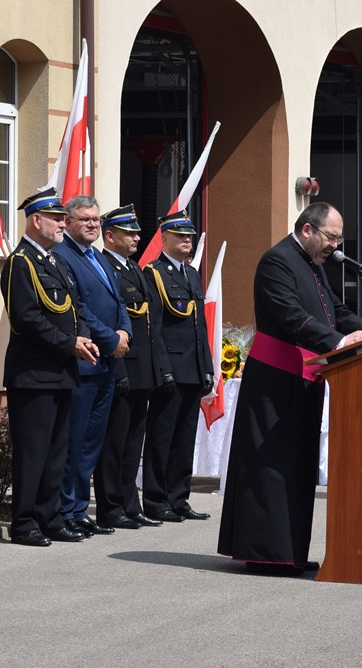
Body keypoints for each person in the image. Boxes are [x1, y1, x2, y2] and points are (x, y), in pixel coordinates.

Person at [217, 202, 362, 575]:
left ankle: (290, 551)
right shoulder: (277, 261)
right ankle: (266, 553)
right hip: (274, 380)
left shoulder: (312, 264)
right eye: (331, 237)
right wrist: (340, 342)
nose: (335, 245)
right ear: (308, 229)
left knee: (297, 465)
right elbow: (292, 317)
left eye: (339, 238)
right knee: (272, 466)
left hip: (303, 377)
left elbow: (334, 311)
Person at [0, 188, 99, 547]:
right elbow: (26, 318)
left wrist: (83, 337)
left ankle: (50, 517)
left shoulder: (55, 262)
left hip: (61, 371)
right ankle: (24, 522)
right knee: (33, 452)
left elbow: (76, 309)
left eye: (63, 218)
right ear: (36, 220)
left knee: (57, 451)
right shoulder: (20, 262)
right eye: (57, 218)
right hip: (34, 374)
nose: (62, 224)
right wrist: (69, 344)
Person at [53, 195, 131, 538]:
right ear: (68, 221)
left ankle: (80, 509)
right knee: (74, 441)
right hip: (83, 363)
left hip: (106, 364)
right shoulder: (63, 256)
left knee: (91, 443)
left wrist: (125, 331)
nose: (93, 225)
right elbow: (78, 308)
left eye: (96, 219)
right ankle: (65, 509)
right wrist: (111, 339)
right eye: (85, 219)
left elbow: (119, 301)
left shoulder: (97, 256)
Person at [95, 204, 170, 529]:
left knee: (132, 443)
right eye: (129, 233)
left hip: (143, 370)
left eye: (137, 232)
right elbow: (111, 322)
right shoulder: (104, 267)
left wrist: (157, 368)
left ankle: (130, 503)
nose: (137, 237)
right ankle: (110, 507)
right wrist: (121, 370)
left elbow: (151, 323)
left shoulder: (134, 268)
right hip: (123, 366)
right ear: (110, 236)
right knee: (114, 443)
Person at [143, 211, 213, 523]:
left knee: (185, 438)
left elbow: (200, 328)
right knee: (162, 437)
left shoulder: (192, 274)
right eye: (181, 236)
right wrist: (162, 369)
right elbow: (154, 328)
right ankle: (156, 500)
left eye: (190, 236)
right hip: (170, 367)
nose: (187, 240)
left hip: (193, 368)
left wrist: (207, 368)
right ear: (164, 238)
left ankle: (179, 498)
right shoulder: (154, 274)